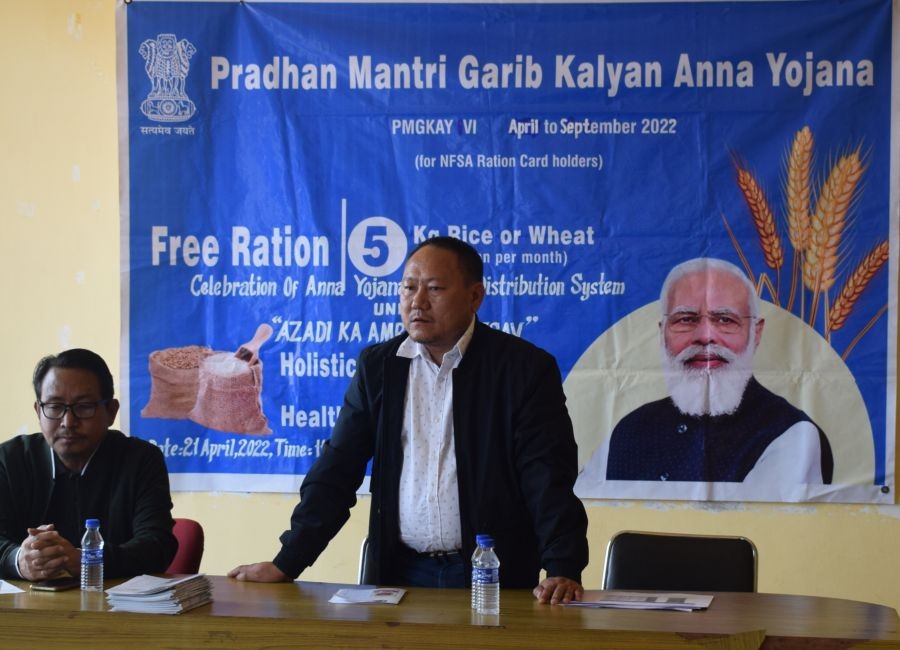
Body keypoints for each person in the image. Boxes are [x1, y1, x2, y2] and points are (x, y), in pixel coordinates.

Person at [230, 237, 588, 604]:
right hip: (399, 574)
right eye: (409, 288)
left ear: (475, 296)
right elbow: (337, 469)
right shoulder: (379, 367)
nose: (417, 302)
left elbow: (546, 475)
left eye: (434, 289)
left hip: (490, 574)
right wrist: (287, 561)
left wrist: (563, 566)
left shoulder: (522, 370)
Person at [598, 257, 833, 483]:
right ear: (663, 333)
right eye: (686, 319)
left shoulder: (792, 435)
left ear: (756, 332)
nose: (705, 337)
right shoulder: (629, 429)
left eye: (725, 320)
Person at [0, 349, 177, 581]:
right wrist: (19, 560)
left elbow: (157, 546)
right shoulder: (10, 459)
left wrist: (87, 559)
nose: (68, 422)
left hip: (116, 612)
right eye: (54, 406)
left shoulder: (141, 460)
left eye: (83, 407)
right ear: (38, 411)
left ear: (111, 411)